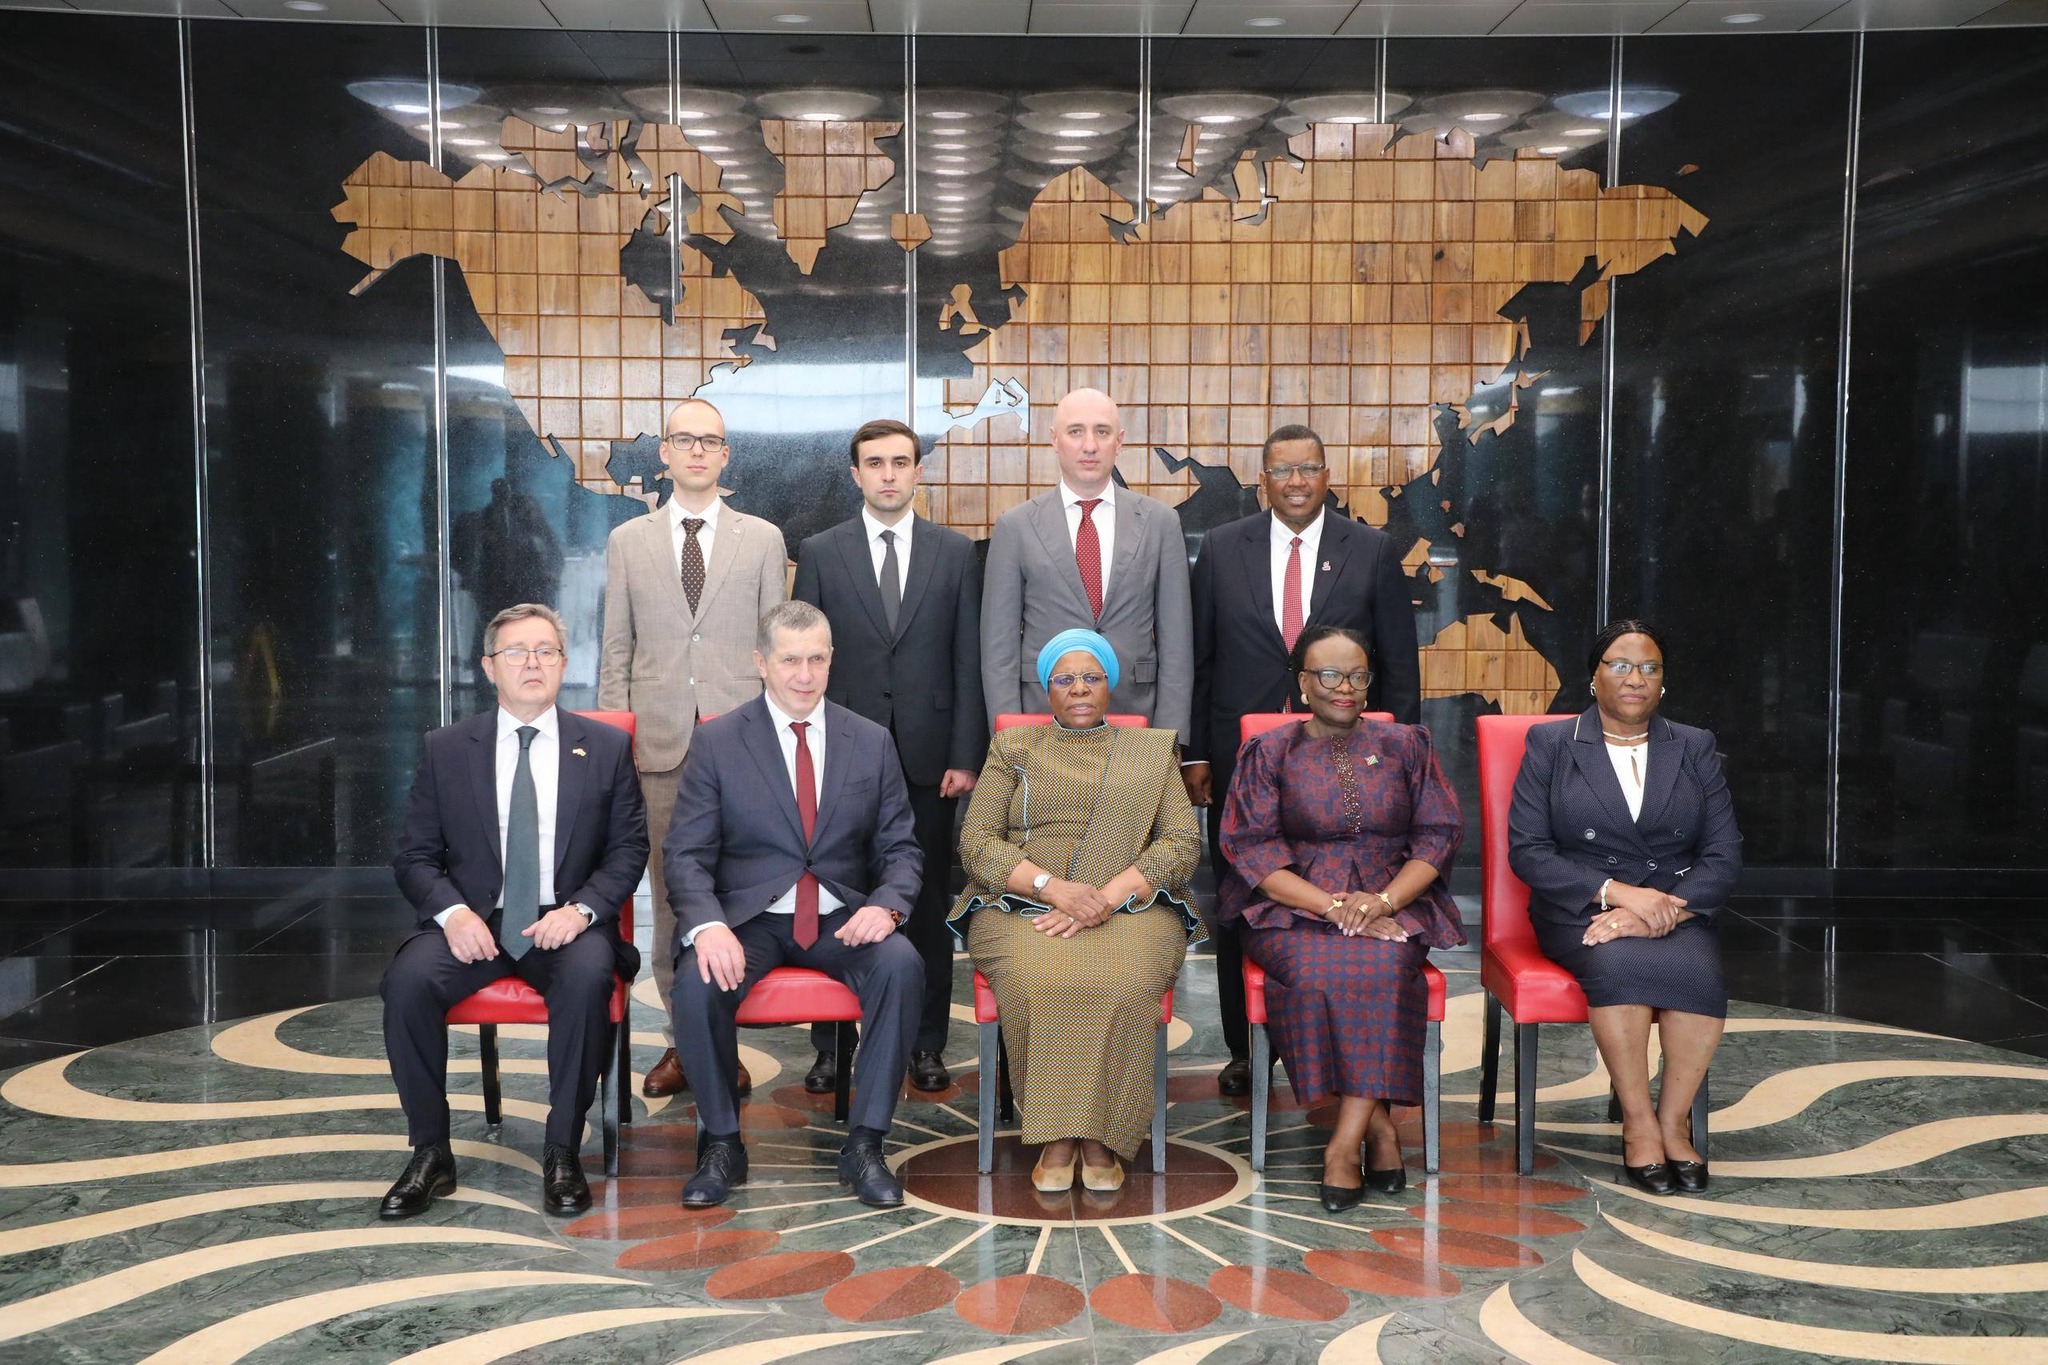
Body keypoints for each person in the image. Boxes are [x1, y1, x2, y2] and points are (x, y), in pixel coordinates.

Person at [382, 603, 647, 1219]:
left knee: (587, 978)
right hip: (476, 921)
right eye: (516, 652)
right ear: (488, 667)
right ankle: (429, 1150)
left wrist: (581, 910)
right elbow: (414, 857)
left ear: (563, 663)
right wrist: (453, 914)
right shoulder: (448, 749)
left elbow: (629, 850)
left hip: (565, 919)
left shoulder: (605, 747)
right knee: (408, 982)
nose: (532, 663)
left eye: (546, 651)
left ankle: (562, 1148)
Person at [1185, 424, 1423, 1098]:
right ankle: (1245, 1047)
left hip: (1351, 760)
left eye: (1309, 468)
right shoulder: (1223, 547)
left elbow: (1398, 665)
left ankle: (1346, 1042)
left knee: (1345, 885)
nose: (1296, 481)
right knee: (1242, 893)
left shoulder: (1371, 550)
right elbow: (1201, 656)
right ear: (1262, 479)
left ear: (1327, 475)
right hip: (1241, 758)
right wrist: (1196, 752)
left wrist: (1398, 756)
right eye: (1282, 470)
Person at [665, 600, 925, 1209]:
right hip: (748, 920)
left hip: (838, 917)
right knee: (696, 982)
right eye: (789, 661)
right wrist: (707, 926)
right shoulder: (718, 741)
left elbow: (901, 847)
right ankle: (721, 1144)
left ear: (832, 660)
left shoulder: (870, 741)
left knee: (901, 964)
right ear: (761, 662)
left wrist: (887, 907)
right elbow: (686, 854)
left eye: (816, 660)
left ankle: (866, 1144)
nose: (804, 675)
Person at [1217, 625, 1463, 1211]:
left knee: (1382, 970)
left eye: (1356, 675)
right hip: (1289, 909)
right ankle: (1379, 1129)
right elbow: (1252, 849)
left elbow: (1438, 834)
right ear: (1303, 683)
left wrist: (1385, 901)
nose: (1344, 687)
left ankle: (1343, 1145)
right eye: (1329, 675)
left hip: (1393, 901)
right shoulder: (1269, 751)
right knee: (1315, 975)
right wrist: (1331, 907)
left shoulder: (1407, 745)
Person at [953, 629, 1201, 1194]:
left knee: (1123, 978)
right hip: (1023, 902)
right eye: (1065, 679)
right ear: (1047, 689)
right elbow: (978, 842)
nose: (1080, 689)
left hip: (1132, 903)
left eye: (1092, 677)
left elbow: (1182, 844)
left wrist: (1104, 897)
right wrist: (1052, 888)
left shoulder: (1151, 751)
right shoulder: (1013, 749)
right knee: (1041, 975)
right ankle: (1059, 1137)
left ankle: (1101, 1138)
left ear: (1110, 685)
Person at [1508, 619, 1742, 1196]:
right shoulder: (1552, 744)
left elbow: (1723, 854)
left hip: (1674, 909)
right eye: (1620, 665)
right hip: (1582, 910)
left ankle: (1673, 1122)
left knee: (1699, 972)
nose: (1635, 678)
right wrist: (1618, 894)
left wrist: (1661, 911)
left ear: (1663, 682)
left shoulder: (1693, 745)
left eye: (1649, 668)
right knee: (1618, 965)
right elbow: (1529, 852)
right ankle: (1638, 1124)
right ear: (1594, 678)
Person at [599, 397, 787, 1101]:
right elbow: (617, 650)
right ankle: (684, 1045)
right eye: (685, 439)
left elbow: (775, 650)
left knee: (739, 895)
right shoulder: (629, 541)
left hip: (744, 747)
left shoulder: (762, 538)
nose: (698, 451)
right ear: (665, 453)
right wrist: (615, 740)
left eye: (710, 441)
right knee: (673, 897)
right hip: (658, 745)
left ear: (726, 454)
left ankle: (722, 1041)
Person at [793, 418, 987, 1096]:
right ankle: (831, 1046)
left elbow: (968, 659)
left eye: (900, 462)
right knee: (836, 896)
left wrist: (965, 753)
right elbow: (804, 660)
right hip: (839, 754)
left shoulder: (955, 553)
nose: (888, 474)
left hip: (931, 758)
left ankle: (925, 1043)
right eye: (875, 463)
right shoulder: (821, 551)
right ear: (855, 474)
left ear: (918, 471)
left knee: (924, 902)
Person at [980, 388, 1194, 739]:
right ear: (1055, 440)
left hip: (1137, 717)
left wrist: (1171, 737)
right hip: (1040, 719)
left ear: (1119, 442)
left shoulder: (1160, 523)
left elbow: (1177, 644)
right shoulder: (1015, 527)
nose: (1090, 445)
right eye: (1076, 431)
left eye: (1102, 431)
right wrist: (1007, 735)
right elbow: (998, 650)